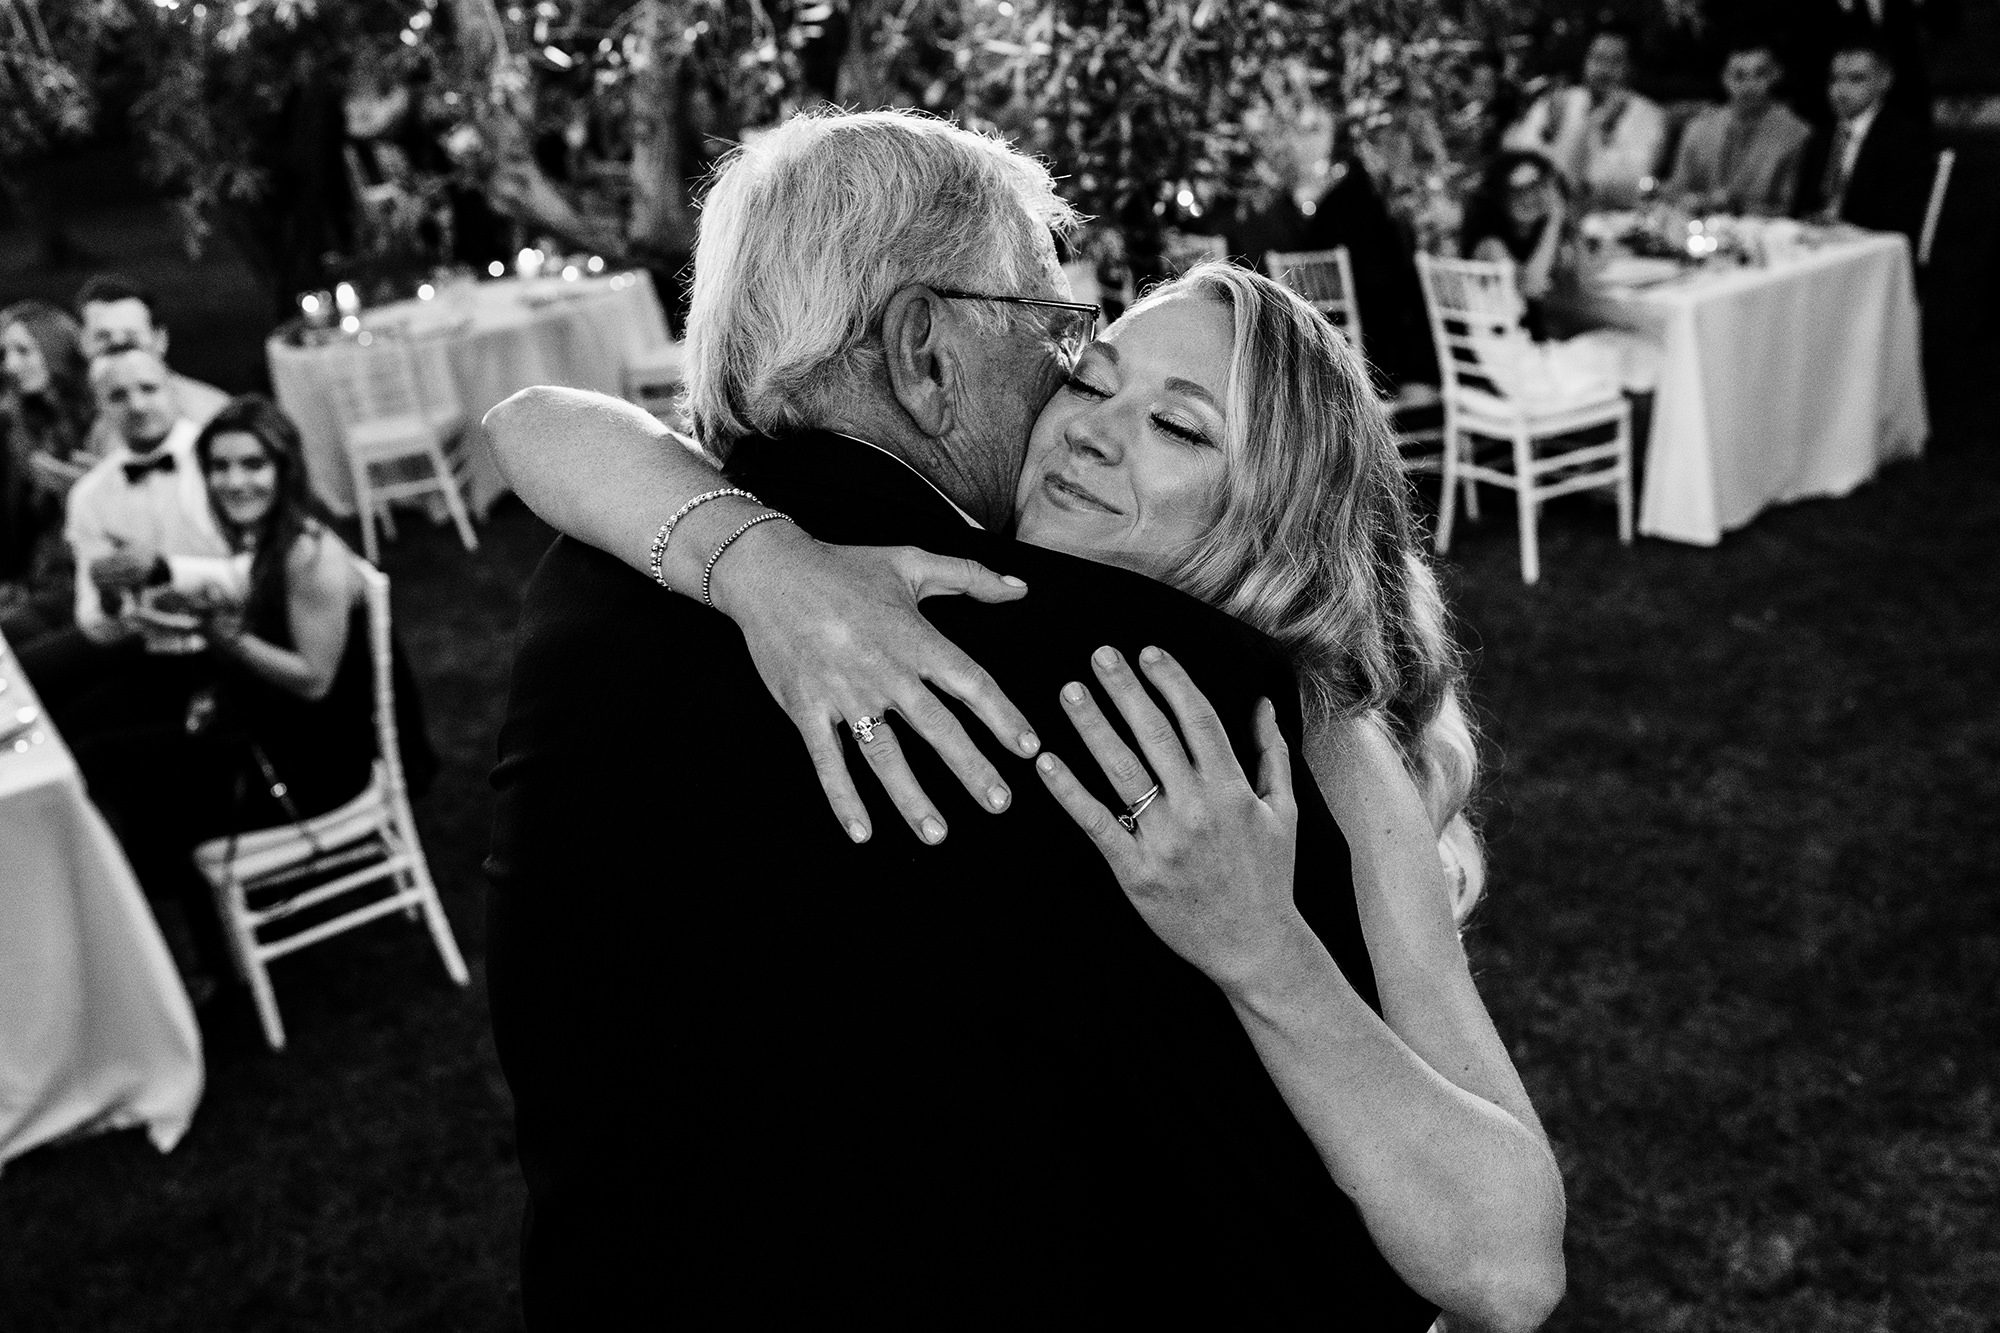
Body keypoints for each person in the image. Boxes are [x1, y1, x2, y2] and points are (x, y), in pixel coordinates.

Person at [486, 109, 1563, 1328]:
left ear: (1271, 512)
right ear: (926, 355)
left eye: (1176, 425)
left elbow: (1503, 1265)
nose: (1085, 415)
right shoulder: (1093, 658)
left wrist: (1264, 950)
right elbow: (534, 420)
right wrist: (759, 567)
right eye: (1078, 361)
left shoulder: (586, 585)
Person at [71, 395, 375, 993]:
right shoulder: (262, 541)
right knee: (103, 750)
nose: (234, 481)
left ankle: (179, 974)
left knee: (122, 784)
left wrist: (219, 635)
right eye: (219, 466)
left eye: (252, 465)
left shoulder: (308, 553)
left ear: (284, 469)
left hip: (313, 768)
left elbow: (313, 681)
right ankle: (192, 959)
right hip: (272, 735)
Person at [16, 345, 230, 739]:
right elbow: (94, 624)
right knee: (46, 713)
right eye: (118, 396)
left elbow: (261, 572)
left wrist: (166, 568)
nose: (136, 405)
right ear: (101, 406)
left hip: (232, 640)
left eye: (148, 388)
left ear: (171, 389)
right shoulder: (91, 495)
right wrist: (111, 598)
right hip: (146, 648)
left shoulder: (223, 463)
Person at [0, 301, 93, 640]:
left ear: (55, 349)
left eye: (24, 351)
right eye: (5, 353)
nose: (11, 365)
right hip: (35, 581)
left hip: (85, 580)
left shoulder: (97, 417)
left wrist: (73, 486)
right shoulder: (14, 425)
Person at [1503, 26, 1669, 210]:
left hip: (1610, 222)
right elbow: (1519, 163)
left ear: (1631, 68)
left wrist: (1605, 134)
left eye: (1615, 61)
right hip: (1544, 214)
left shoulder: (1648, 115)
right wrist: (1548, 133)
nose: (1603, 69)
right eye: (1597, 58)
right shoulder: (1559, 102)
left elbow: (1636, 183)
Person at [1795, 39, 1934, 245]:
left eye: (1856, 79)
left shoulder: (1904, 138)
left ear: (1884, 80)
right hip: (1819, 243)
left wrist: (1843, 228)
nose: (1840, 91)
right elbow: (1801, 206)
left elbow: (1900, 217)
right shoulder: (1821, 137)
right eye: (1834, 79)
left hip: (1871, 245)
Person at [75, 275, 231, 456]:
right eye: (103, 336)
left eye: (131, 336)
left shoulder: (210, 412)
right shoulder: (84, 415)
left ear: (160, 340)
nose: (118, 346)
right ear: (83, 343)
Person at [1666, 40, 1814, 217]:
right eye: (1738, 76)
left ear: (1776, 74)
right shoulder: (1699, 128)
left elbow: (1790, 209)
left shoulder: (1797, 134)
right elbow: (1676, 191)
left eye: (1760, 74)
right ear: (1724, 78)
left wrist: (1735, 207)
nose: (1749, 85)